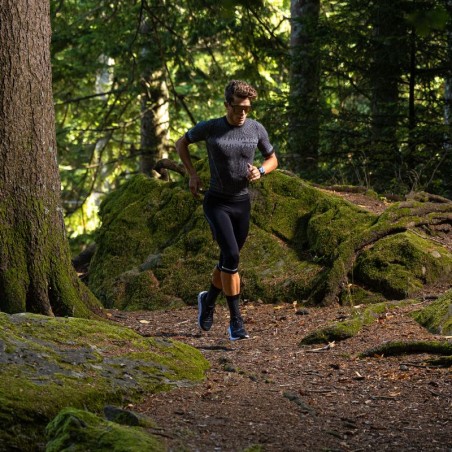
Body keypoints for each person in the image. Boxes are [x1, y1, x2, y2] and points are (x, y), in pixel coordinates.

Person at [176, 80, 278, 340]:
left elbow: (273, 158)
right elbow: (181, 143)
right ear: (227, 105)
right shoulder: (211, 127)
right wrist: (192, 175)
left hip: (241, 203)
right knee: (232, 256)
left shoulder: (256, 129)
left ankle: (208, 301)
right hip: (216, 202)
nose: (243, 113)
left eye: (248, 108)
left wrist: (261, 170)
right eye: (238, 108)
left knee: (227, 260)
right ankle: (236, 322)